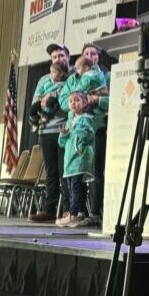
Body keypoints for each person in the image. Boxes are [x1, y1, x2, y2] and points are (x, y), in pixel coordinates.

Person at [29, 43, 71, 222]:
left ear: (67, 58)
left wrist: (53, 101)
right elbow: (36, 100)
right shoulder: (44, 80)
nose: (58, 59)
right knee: (51, 171)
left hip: (64, 130)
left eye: (61, 56)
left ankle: (69, 210)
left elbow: (71, 103)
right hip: (46, 130)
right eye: (54, 57)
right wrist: (43, 102)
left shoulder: (72, 78)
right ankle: (49, 209)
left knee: (65, 171)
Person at [58, 91, 96, 227]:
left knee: (76, 187)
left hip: (79, 159)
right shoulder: (70, 121)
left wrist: (72, 132)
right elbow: (62, 143)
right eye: (70, 101)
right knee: (70, 187)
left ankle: (73, 214)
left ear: (85, 103)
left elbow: (87, 135)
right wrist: (63, 134)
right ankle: (79, 213)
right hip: (69, 160)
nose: (73, 103)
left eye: (77, 100)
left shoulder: (87, 119)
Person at [82, 43, 110, 221]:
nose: (91, 56)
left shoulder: (107, 76)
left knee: (97, 171)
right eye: (87, 53)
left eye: (94, 53)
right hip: (81, 130)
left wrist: (95, 100)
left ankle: (95, 212)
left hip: (99, 127)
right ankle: (78, 212)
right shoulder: (77, 76)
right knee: (82, 172)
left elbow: (113, 99)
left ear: (99, 57)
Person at [27, 61, 68, 131]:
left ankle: (46, 116)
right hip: (42, 99)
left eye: (54, 72)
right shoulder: (46, 81)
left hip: (53, 101)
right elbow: (39, 92)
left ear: (61, 73)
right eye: (51, 72)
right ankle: (34, 122)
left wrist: (50, 95)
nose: (51, 74)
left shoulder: (63, 84)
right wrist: (40, 99)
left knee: (50, 101)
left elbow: (62, 93)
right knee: (32, 109)